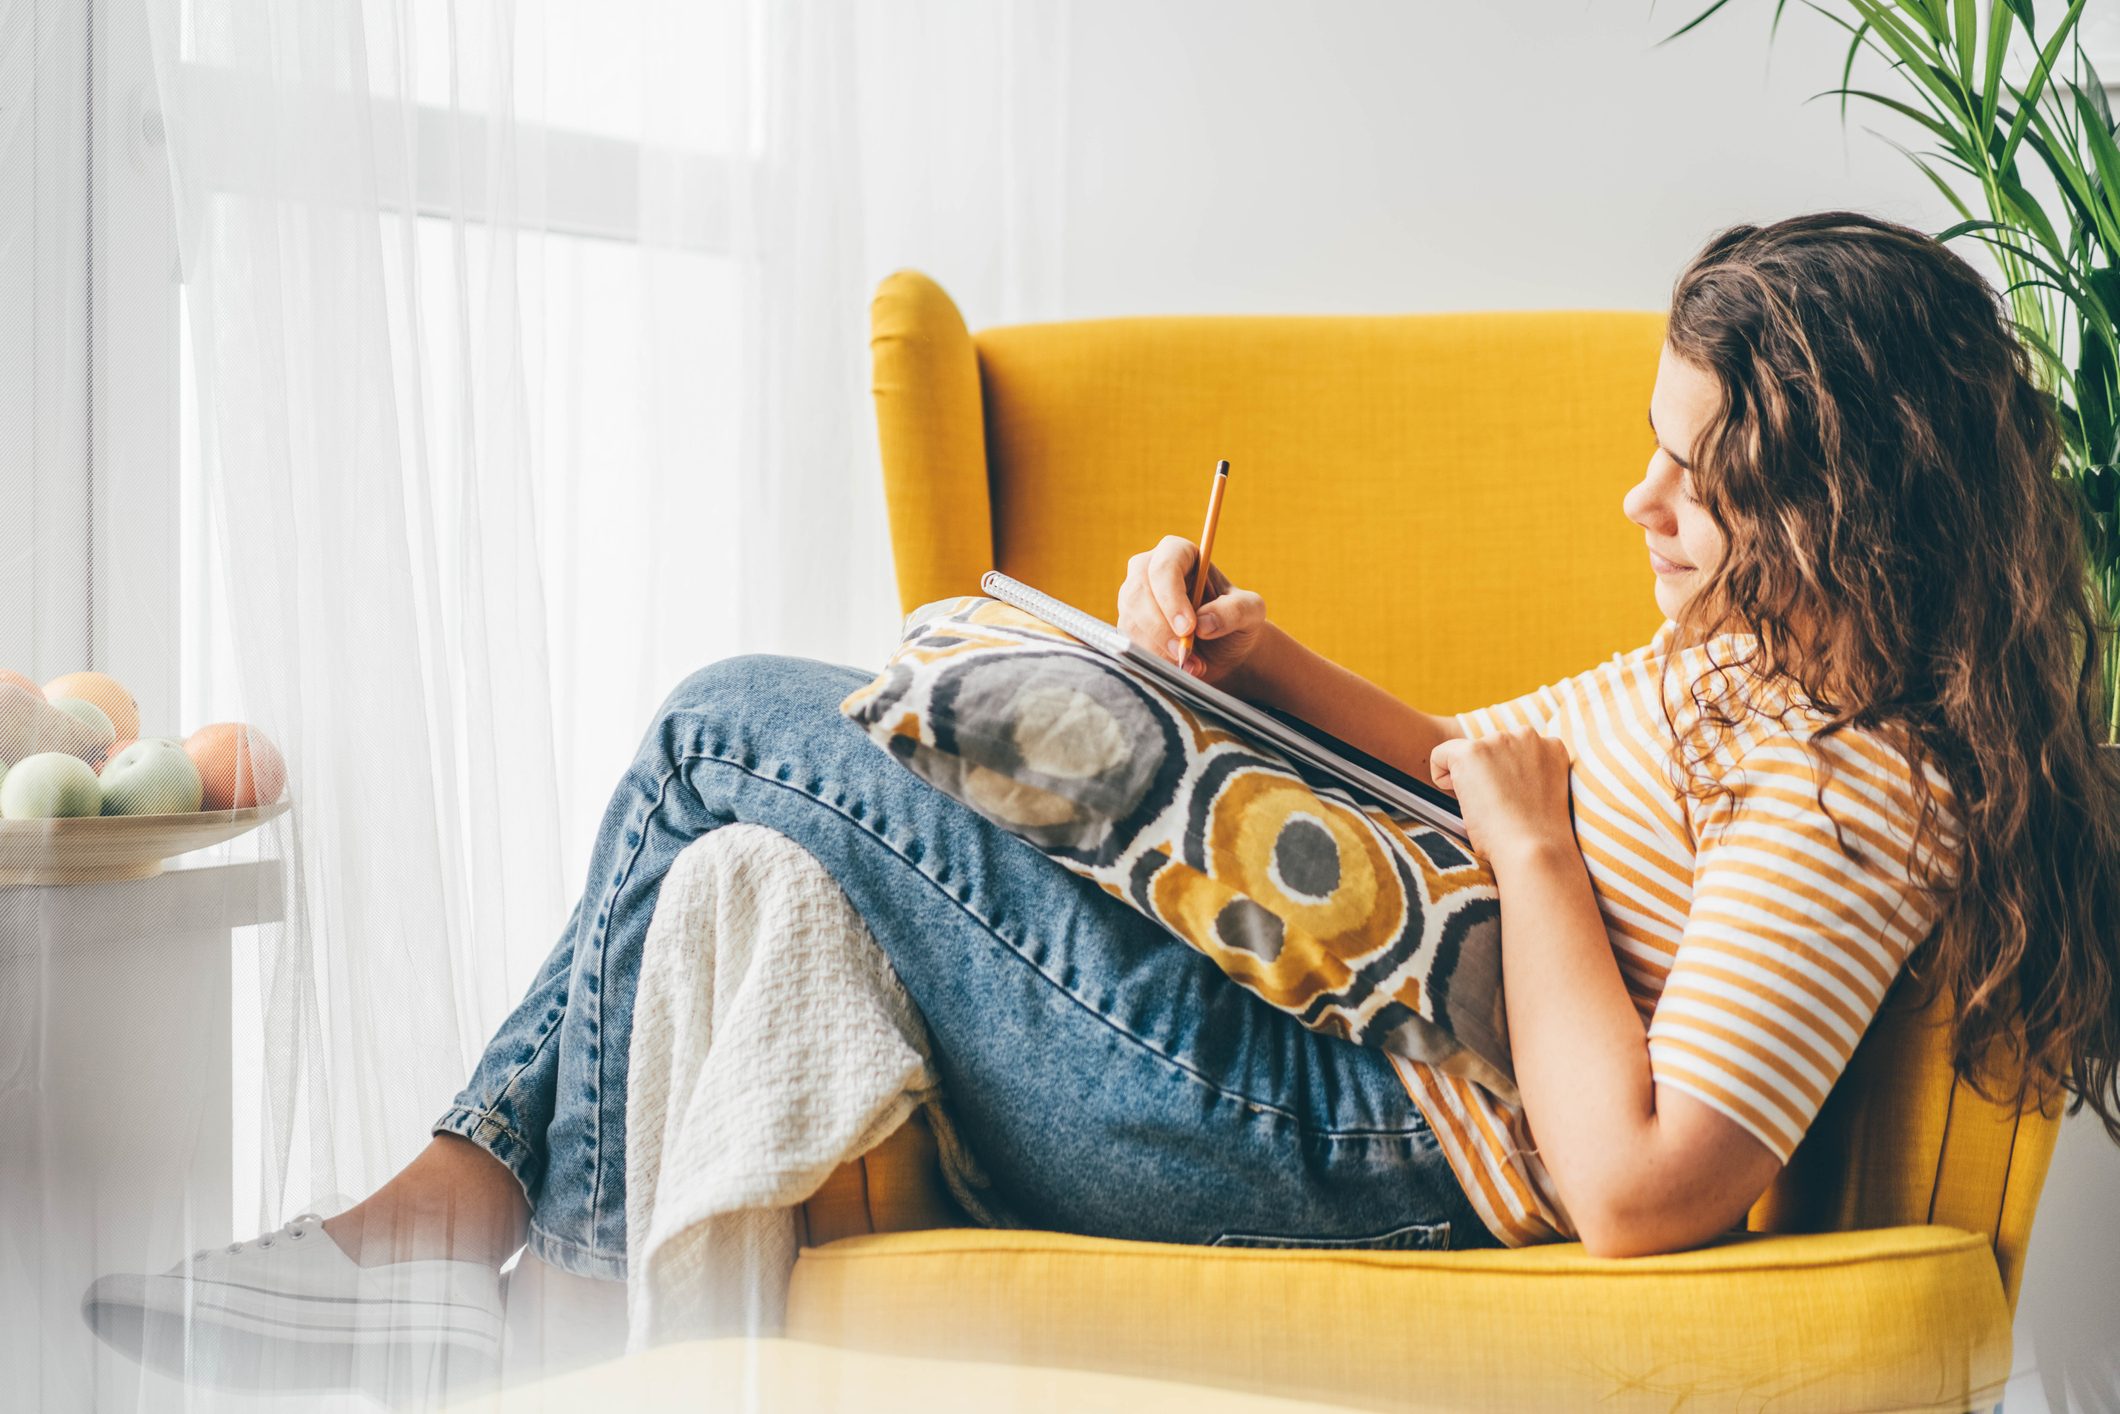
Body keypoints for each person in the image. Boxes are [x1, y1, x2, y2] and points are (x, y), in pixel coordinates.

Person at [84, 211, 2120, 1395]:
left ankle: (483, 1227)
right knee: (801, 770)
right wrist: (1253, 664)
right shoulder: (1749, 649)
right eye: (1650, 451)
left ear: (1843, 492)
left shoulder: (1858, 795)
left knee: (735, 725)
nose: (1636, 504)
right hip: (1323, 1017)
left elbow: (1641, 1181)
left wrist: (1534, 851)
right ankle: (520, 1257)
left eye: (1695, 471)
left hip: (1355, 1133)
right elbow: (1470, 754)